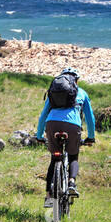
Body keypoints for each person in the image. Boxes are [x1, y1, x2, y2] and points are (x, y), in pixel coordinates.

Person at [34, 66, 95, 210]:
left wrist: (39, 135)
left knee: (54, 159)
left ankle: (49, 197)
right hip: (73, 127)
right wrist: (91, 137)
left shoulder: (53, 92)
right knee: (73, 157)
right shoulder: (82, 93)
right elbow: (90, 118)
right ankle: (72, 183)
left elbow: (43, 115)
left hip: (52, 125)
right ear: (76, 81)